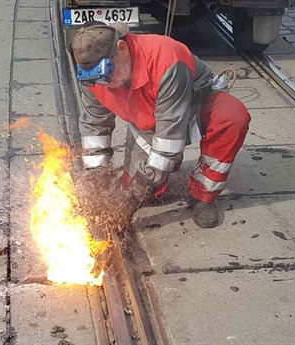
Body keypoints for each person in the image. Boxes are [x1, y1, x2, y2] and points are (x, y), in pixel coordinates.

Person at [72, 21, 250, 228]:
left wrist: (143, 184)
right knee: (140, 188)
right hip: (147, 122)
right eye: (96, 80)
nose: (104, 85)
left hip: (193, 104)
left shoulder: (166, 60)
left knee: (232, 117)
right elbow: (95, 126)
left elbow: (170, 135)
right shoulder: (93, 77)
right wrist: (96, 176)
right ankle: (158, 176)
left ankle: (203, 195)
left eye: (107, 75)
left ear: (121, 49)